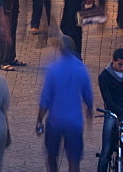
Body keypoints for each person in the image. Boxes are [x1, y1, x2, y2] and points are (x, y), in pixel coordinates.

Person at [37, 35, 93, 172]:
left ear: (61, 50)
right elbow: (88, 96)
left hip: (55, 121)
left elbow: (46, 98)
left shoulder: (53, 69)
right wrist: (89, 113)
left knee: (51, 155)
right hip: (74, 121)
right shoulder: (81, 69)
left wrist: (39, 120)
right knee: (74, 158)